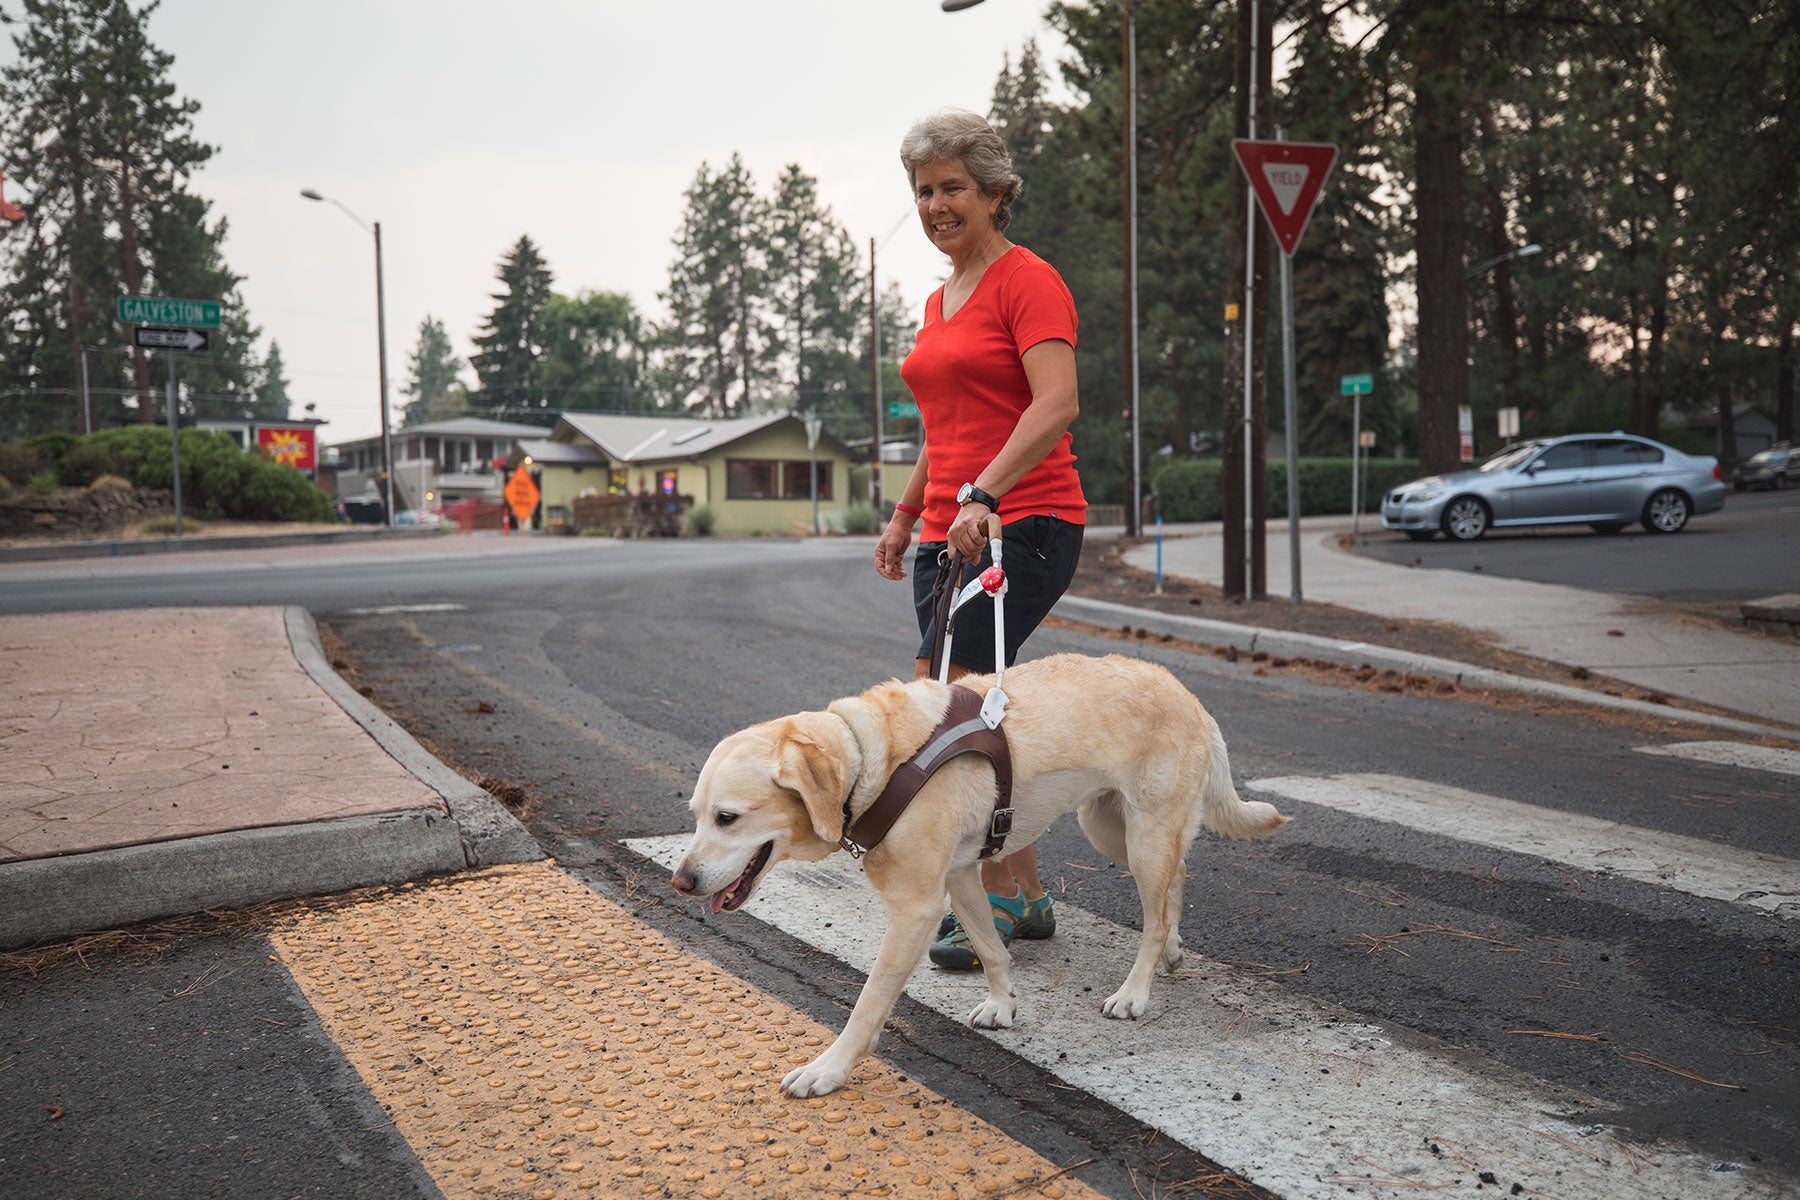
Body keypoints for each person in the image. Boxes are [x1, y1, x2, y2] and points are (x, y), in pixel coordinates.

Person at [874, 109, 1086, 972]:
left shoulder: (1027, 281)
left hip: (1023, 522)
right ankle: (1027, 896)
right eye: (923, 190)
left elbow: (1056, 404)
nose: (936, 204)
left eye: (953, 186)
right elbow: (945, 423)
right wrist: (903, 514)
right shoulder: (939, 298)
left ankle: (998, 899)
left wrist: (984, 493)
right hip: (952, 533)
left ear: (996, 193)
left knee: (953, 714)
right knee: (968, 712)